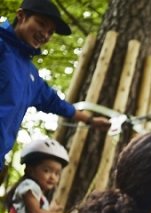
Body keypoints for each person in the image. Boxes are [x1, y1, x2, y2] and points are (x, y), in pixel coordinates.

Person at [0, 0, 110, 168]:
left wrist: (90, 120)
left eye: (50, 32)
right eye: (41, 24)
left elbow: (54, 102)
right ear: (21, 16)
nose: (45, 34)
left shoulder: (31, 76)